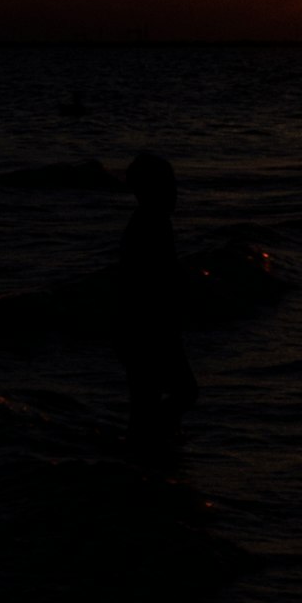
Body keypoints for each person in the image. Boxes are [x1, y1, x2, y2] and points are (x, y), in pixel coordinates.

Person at [114, 150, 198, 456]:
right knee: (183, 391)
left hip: (141, 326)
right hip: (148, 328)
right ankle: (151, 443)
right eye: (168, 186)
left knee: (146, 399)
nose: (175, 193)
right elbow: (146, 280)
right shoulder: (150, 225)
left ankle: (147, 450)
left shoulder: (151, 222)